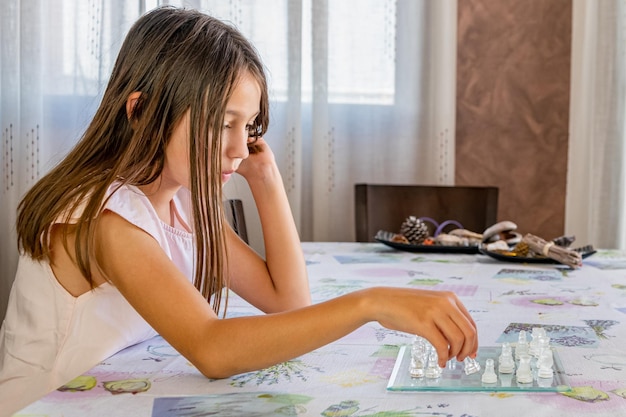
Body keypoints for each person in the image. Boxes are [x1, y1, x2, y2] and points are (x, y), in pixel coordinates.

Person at [0, 6, 478, 415]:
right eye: (223, 124)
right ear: (141, 111)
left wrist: (267, 184)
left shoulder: (184, 202)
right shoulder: (102, 218)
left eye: (248, 126)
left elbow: (287, 304)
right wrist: (370, 303)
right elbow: (212, 349)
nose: (238, 148)